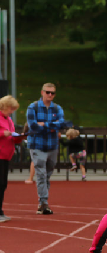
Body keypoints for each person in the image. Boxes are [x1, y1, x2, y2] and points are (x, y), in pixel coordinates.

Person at [26, 83, 66, 215]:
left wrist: (44, 124)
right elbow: (33, 126)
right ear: (42, 92)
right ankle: (43, 202)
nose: (50, 95)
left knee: (47, 175)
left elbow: (61, 124)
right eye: (47, 92)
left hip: (52, 146)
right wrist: (52, 127)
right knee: (41, 174)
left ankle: (42, 202)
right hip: (37, 145)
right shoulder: (33, 107)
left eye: (52, 93)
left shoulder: (57, 108)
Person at [0, 96, 25, 223]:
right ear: (4, 106)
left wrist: (19, 138)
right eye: (11, 109)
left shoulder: (9, 120)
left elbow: (12, 136)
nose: (12, 111)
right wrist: (2, 133)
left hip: (6, 155)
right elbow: (3, 134)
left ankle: (0, 211)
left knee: (3, 184)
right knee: (0, 183)